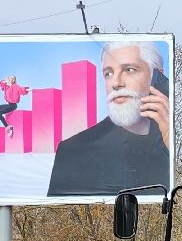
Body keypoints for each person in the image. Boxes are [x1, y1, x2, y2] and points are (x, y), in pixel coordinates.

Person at [47, 43, 169, 196]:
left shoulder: (171, 141)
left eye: (129, 70)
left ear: (157, 76)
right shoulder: (72, 151)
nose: (116, 83)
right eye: (108, 73)